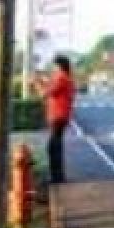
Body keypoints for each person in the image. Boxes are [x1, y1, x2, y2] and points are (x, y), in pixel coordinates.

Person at [42, 56, 76, 185]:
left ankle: (57, 177)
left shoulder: (61, 77)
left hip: (58, 115)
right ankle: (57, 175)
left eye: (54, 65)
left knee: (53, 147)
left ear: (59, 65)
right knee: (55, 145)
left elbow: (48, 93)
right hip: (61, 115)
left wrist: (39, 83)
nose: (53, 68)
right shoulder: (65, 77)